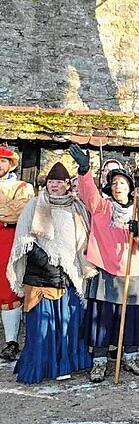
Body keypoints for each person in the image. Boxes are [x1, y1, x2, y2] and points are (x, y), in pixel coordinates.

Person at [69, 144, 139, 383]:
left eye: (122, 183)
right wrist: (84, 170)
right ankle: (99, 362)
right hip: (105, 270)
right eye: (114, 183)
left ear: (130, 187)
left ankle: (130, 357)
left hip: (132, 271)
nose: (118, 187)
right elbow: (88, 194)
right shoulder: (102, 207)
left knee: (131, 318)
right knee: (102, 320)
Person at [7, 162, 95, 383]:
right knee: (43, 325)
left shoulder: (77, 207)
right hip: (41, 276)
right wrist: (46, 262)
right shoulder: (35, 205)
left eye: (58, 182)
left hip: (70, 275)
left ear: (68, 185)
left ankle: (66, 363)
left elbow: (85, 239)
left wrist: (69, 267)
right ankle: (41, 366)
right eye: (50, 182)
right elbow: (24, 239)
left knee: (67, 321)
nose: (54, 185)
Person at [0, 147, 34, 362]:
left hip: (7, 239)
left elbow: (18, 211)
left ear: (10, 164)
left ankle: (11, 341)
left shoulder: (22, 186)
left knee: (8, 289)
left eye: (3, 161)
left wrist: (7, 209)